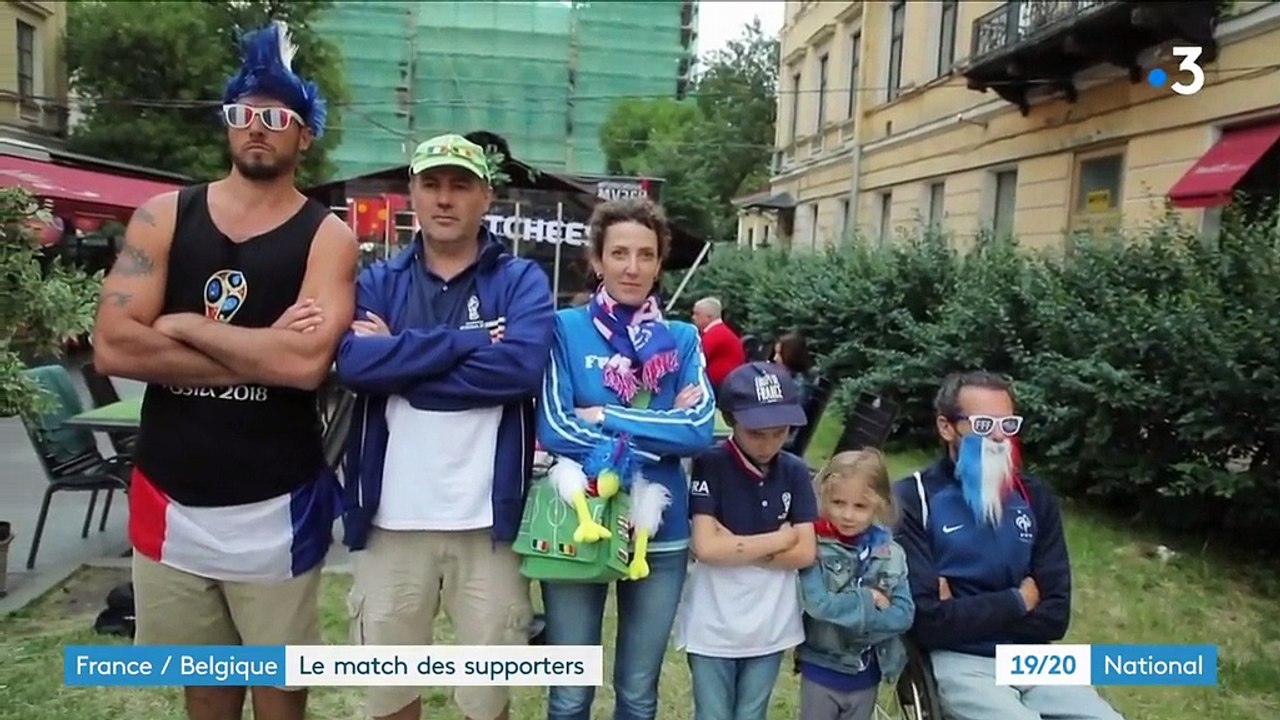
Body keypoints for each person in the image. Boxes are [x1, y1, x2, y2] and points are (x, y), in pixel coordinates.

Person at [90, 22, 356, 720]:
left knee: (278, 690)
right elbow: (116, 346)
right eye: (243, 115)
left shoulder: (328, 236)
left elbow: (304, 366)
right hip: (170, 495)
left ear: (305, 136)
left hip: (278, 499)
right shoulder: (163, 216)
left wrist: (182, 326)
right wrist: (256, 346)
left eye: (276, 117)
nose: (256, 129)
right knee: (204, 688)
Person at [333, 132, 556, 720]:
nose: (445, 198)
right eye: (431, 184)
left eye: (460, 185)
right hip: (389, 520)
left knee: (485, 699)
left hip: (488, 524)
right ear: (412, 193)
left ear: (486, 196)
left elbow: (519, 369)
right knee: (389, 693)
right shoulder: (380, 279)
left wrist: (400, 363)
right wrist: (470, 342)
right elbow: (354, 365)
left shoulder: (520, 281)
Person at [537, 196, 717, 720]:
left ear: (660, 262)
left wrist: (604, 417)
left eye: (645, 254)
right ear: (597, 260)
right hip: (580, 522)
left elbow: (698, 430)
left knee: (639, 696)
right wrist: (660, 433)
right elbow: (554, 426)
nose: (632, 267)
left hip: (660, 533)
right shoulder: (562, 330)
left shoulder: (682, 340)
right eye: (619, 253)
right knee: (570, 692)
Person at [892, 371, 1125, 720]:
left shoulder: (1035, 496)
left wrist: (963, 610)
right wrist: (1020, 599)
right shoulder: (914, 498)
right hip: (961, 661)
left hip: (1034, 657)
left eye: (1009, 424)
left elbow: (1054, 617)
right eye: (984, 424)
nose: (1000, 436)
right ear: (946, 427)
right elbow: (926, 621)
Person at [675, 361, 818, 720]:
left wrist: (736, 544)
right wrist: (779, 538)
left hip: (772, 621)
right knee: (713, 713)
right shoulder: (711, 463)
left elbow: (804, 551)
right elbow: (706, 548)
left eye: (779, 432)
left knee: (753, 713)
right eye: (757, 433)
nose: (769, 443)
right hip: (713, 620)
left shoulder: (795, 470)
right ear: (731, 419)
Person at [796, 450, 915, 720]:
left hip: (869, 670)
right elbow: (819, 605)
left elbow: (904, 615)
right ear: (824, 498)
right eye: (838, 502)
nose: (848, 515)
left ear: (879, 505)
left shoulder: (891, 553)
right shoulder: (814, 546)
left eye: (860, 506)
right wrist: (868, 599)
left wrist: (853, 611)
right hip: (822, 666)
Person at [691, 296, 746, 389]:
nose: (693, 317)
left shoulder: (715, 334)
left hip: (722, 386)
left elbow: (697, 358)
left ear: (709, 317)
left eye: (697, 314)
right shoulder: (720, 332)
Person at [772, 330, 814, 407]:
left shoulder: (798, 386)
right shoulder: (792, 379)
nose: (775, 358)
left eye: (779, 354)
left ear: (791, 355)